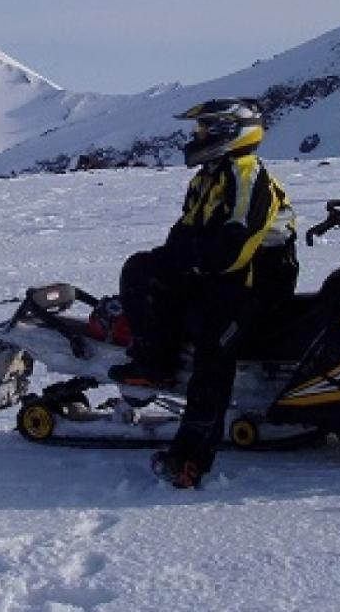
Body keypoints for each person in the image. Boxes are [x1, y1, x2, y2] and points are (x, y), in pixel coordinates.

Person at [108, 98, 298, 489]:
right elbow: (184, 233)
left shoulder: (247, 176)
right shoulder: (208, 177)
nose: (199, 137)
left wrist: (193, 266)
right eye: (200, 131)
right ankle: (153, 361)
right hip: (218, 271)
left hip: (252, 280)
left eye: (207, 130)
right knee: (141, 271)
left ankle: (190, 458)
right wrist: (169, 265)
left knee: (215, 348)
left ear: (232, 133)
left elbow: (236, 245)